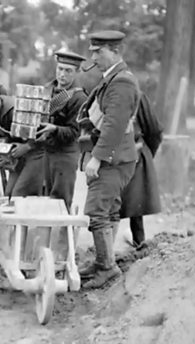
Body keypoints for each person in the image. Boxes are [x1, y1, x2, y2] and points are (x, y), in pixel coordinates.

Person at [77, 30, 139, 289]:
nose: (93, 56)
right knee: (110, 210)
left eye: (98, 51)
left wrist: (97, 159)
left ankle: (107, 267)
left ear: (114, 51)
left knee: (95, 212)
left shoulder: (121, 82)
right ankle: (104, 260)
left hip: (113, 160)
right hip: (116, 158)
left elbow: (114, 124)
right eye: (92, 51)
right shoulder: (112, 78)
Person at [37, 51, 87, 210]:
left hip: (65, 155)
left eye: (68, 71)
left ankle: (62, 236)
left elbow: (74, 132)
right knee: (45, 199)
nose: (62, 74)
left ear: (77, 72)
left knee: (61, 202)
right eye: (60, 69)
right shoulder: (47, 90)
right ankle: (44, 235)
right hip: (47, 152)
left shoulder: (79, 98)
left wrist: (54, 128)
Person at [120, 93, 163, 249]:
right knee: (107, 206)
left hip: (135, 152)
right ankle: (105, 256)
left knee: (136, 202)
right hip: (111, 153)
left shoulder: (138, 97)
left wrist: (147, 152)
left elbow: (154, 130)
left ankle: (139, 247)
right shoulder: (105, 92)